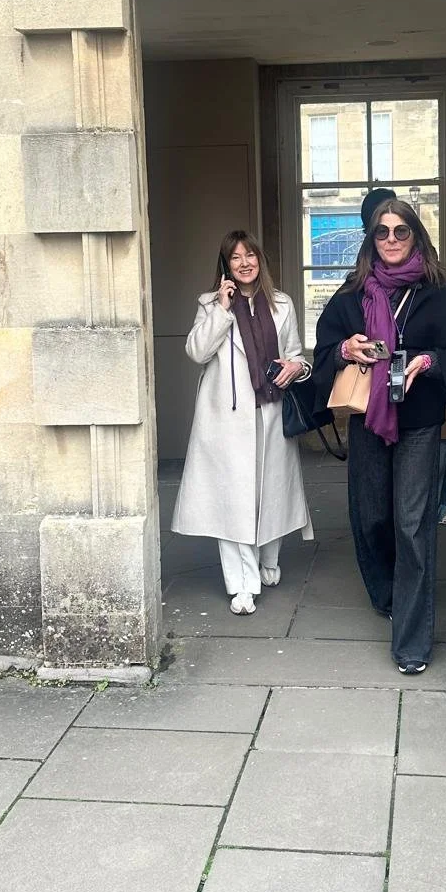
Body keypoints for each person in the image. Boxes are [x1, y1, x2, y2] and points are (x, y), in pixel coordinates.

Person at [313, 196, 446, 675]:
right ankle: (390, 594)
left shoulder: (439, 291)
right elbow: (324, 349)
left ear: (416, 236)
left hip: (419, 423)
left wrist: (428, 362)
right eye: (382, 232)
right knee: (371, 518)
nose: (390, 240)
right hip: (369, 418)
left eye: (400, 231)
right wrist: (346, 347)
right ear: (372, 238)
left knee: (412, 525)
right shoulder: (352, 293)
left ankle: (411, 641)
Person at [172, 231, 313, 616]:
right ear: (226, 266)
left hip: (269, 413)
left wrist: (296, 367)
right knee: (231, 501)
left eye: (250, 255)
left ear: (259, 260)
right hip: (225, 420)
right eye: (235, 258)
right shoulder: (210, 304)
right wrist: (221, 308)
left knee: (271, 493)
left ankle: (269, 559)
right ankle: (242, 585)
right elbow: (197, 351)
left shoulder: (282, 304)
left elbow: (298, 356)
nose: (244, 263)